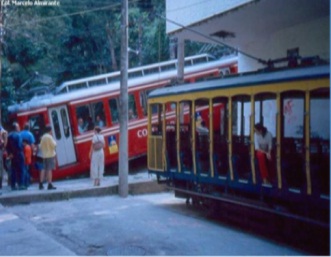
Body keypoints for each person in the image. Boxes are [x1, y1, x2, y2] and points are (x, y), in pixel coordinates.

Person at [6, 122, 26, 190]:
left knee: (13, 170)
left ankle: (13, 185)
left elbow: (7, 146)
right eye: (18, 127)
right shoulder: (18, 135)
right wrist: (23, 146)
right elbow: (19, 145)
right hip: (19, 154)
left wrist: (10, 153)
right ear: (16, 128)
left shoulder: (9, 136)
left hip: (12, 155)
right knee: (21, 169)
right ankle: (21, 184)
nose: (19, 128)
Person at [39, 125, 57, 190]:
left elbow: (40, 146)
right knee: (49, 170)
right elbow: (54, 145)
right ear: (50, 130)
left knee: (43, 169)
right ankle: (49, 184)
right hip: (50, 155)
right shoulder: (49, 137)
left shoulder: (43, 137)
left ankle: (40, 184)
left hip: (44, 155)